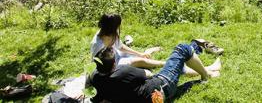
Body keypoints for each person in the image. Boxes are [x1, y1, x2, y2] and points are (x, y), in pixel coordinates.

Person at [90, 43, 221, 102]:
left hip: (153, 99)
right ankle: (205, 76)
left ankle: (209, 71)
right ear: (114, 64)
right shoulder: (122, 71)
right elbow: (149, 74)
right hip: (162, 88)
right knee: (183, 49)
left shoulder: (95, 78)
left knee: (175, 73)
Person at [90, 14, 166, 70]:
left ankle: (146, 52)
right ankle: (165, 63)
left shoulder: (111, 33)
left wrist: (140, 53)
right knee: (140, 61)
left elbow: (121, 46)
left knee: (140, 56)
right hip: (112, 65)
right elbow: (95, 64)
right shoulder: (97, 44)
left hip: (116, 54)